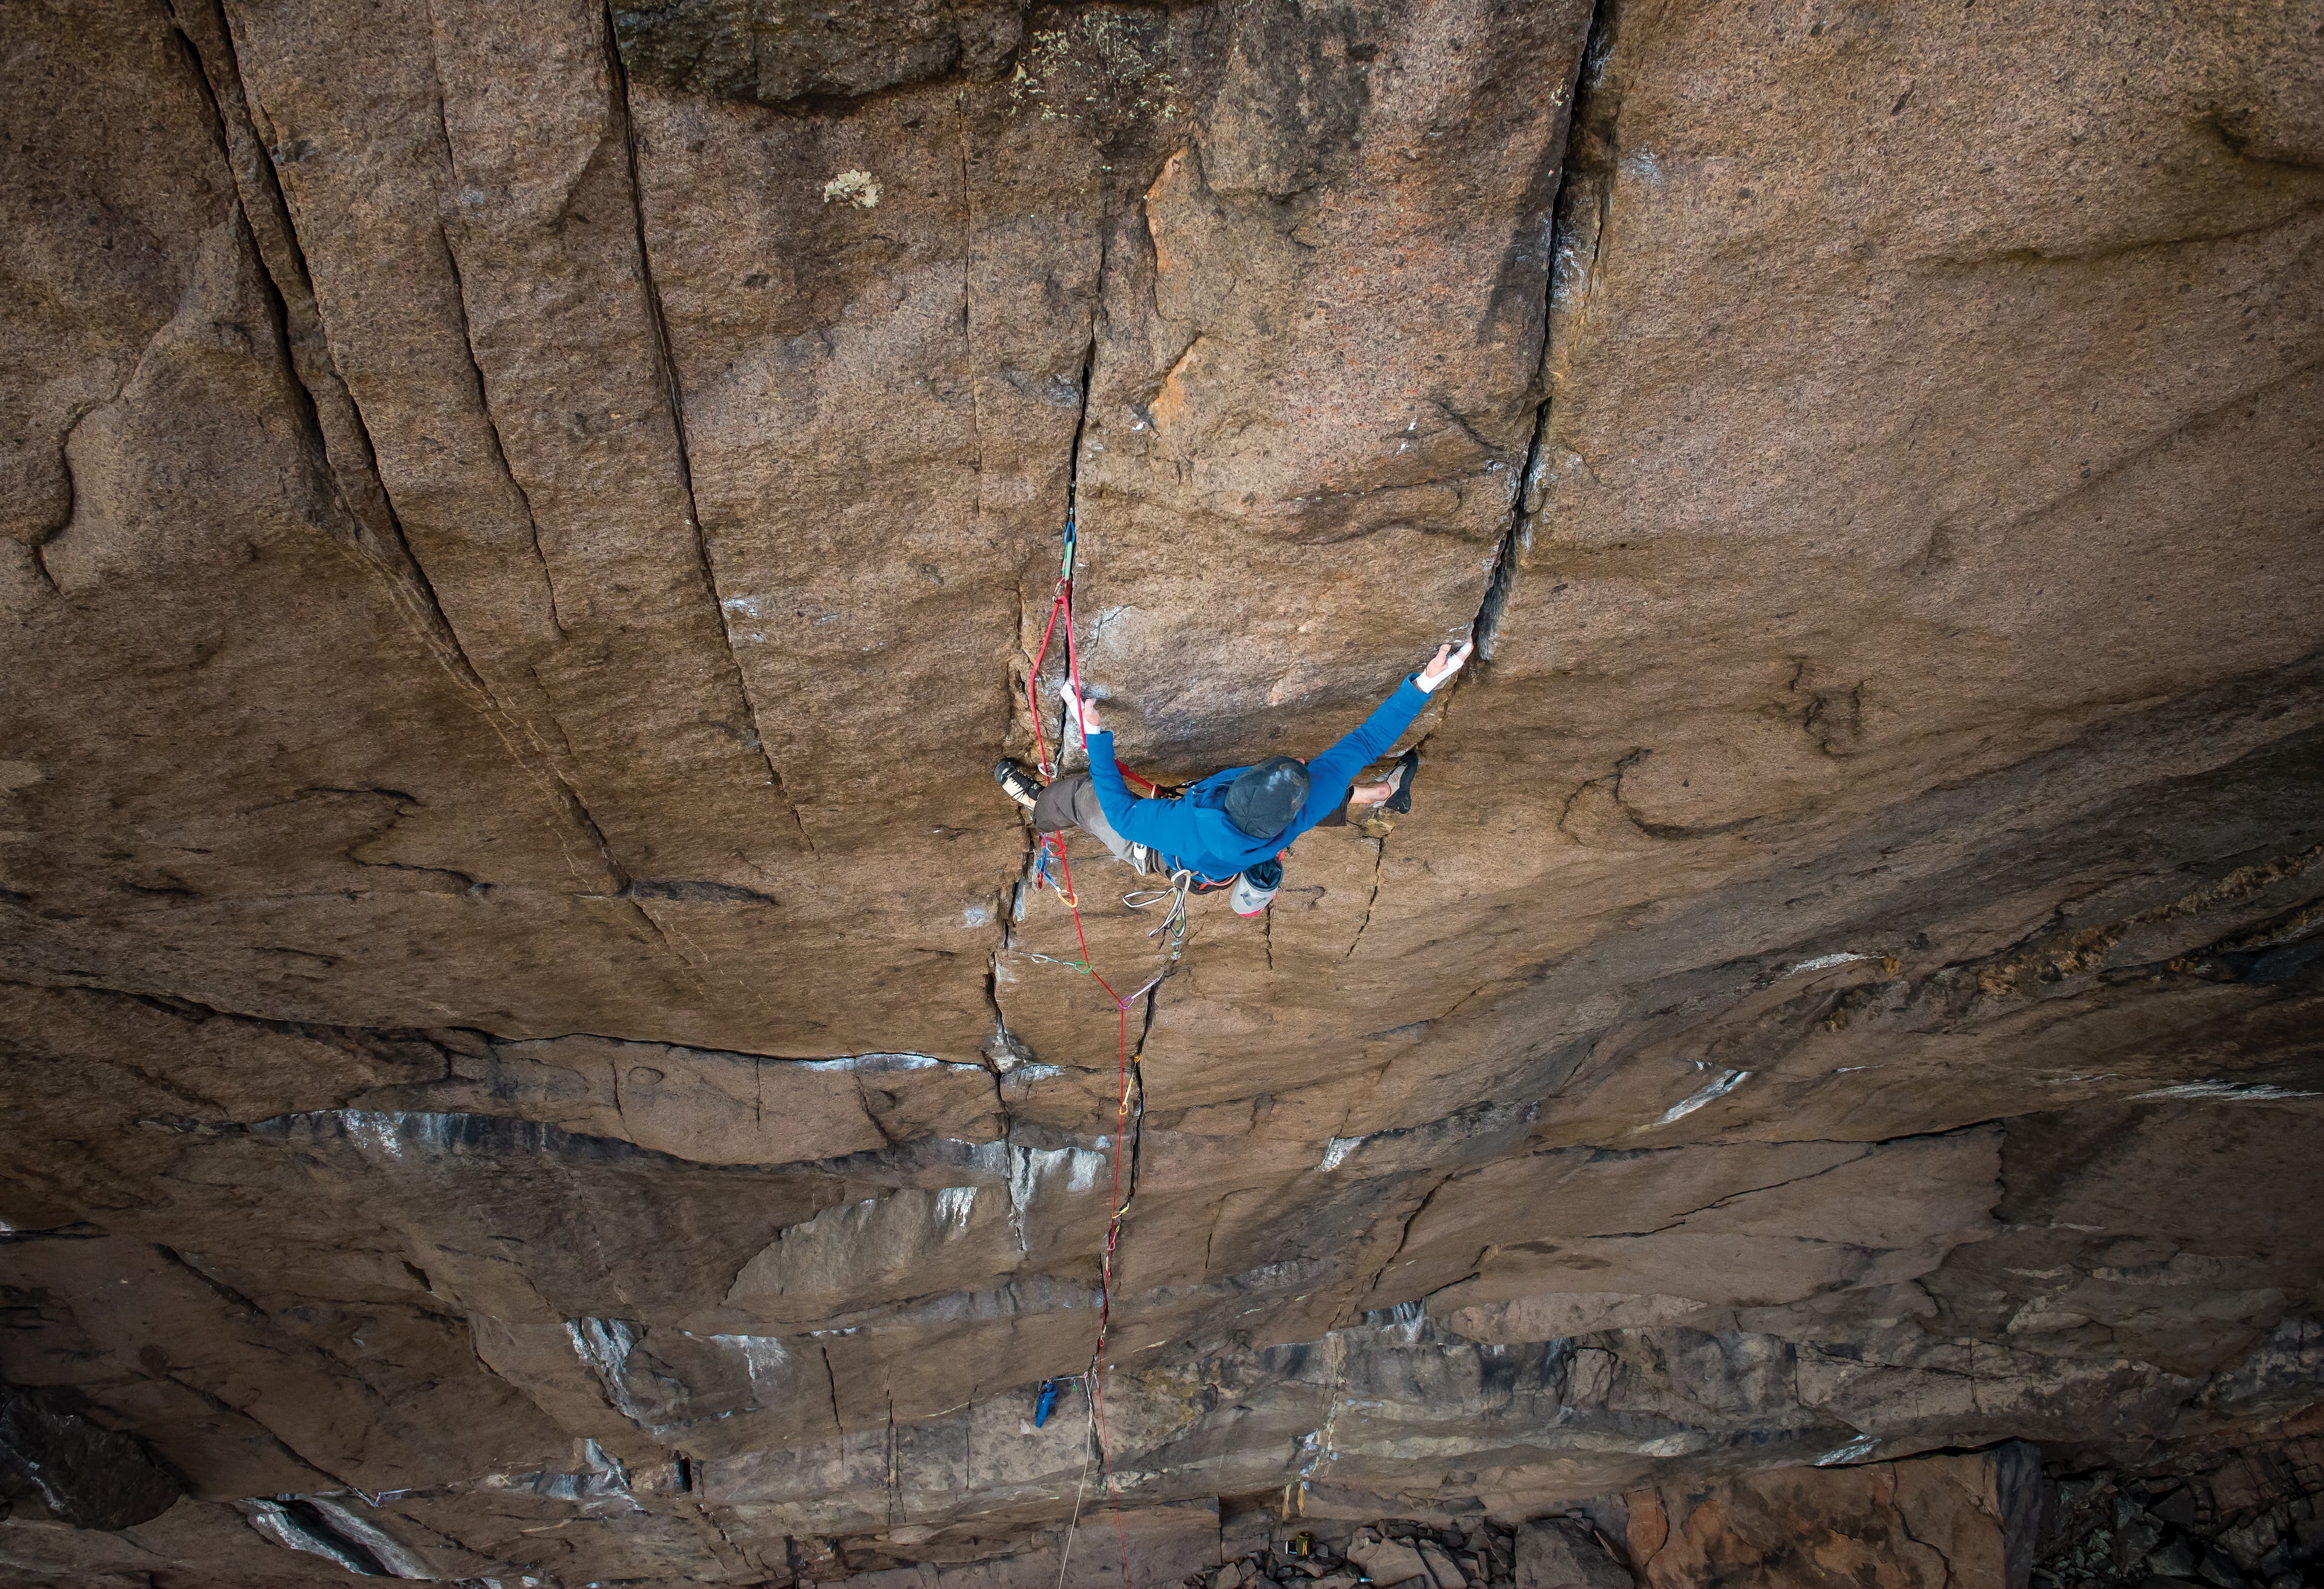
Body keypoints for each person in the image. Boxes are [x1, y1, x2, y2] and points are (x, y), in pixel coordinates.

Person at [994, 641, 1474, 914]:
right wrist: (1427, 680)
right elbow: (1369, 741)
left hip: (1166, 855)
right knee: (1329, 797)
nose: (1307, 763)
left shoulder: (1181, 827)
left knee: (1080, 798)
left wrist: (1093, 730)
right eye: (1299, 767)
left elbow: (1119, 811)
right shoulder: (1305, 803)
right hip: (1227, 860)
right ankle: (1385, 793)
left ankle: (1039, 810)